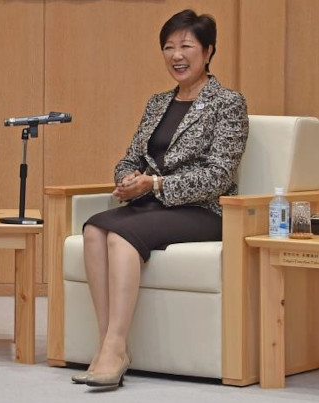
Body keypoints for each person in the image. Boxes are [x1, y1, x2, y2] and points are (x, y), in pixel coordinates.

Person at [74, 9, 248, 390]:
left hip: (203, 209)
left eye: (186, 46)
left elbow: (219, 175)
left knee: (120, 236)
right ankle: (108, 346)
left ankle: (115, 347)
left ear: (208, 51)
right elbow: (130, 157)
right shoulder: (157, 103)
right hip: (154, 205)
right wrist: (126, 178)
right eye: (169, 47)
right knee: (93, 230)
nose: (176, 56)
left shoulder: (228, 103)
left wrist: (154, 184)